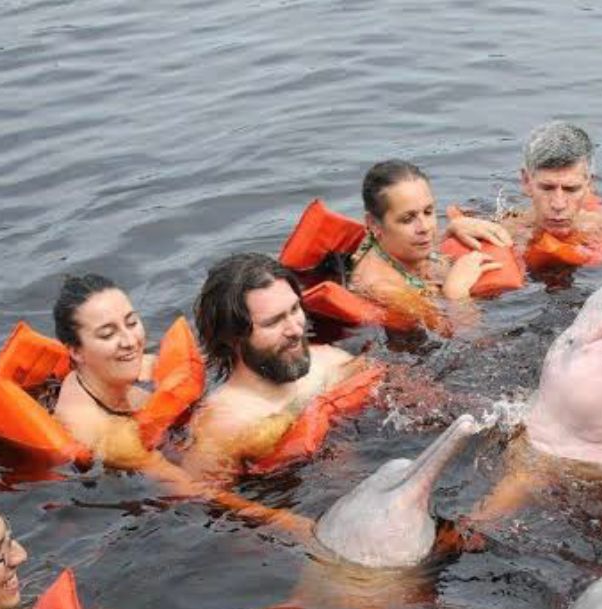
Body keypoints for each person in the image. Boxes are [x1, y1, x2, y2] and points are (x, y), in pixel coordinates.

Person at [186, 252, 371, 479]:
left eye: (294, 309)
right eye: (273, 322)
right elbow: (198, 492)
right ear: (232, 337)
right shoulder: (224, 424)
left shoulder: (330, 361)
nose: (296, 330)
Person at [349, 160, 512, 334]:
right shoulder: (385, 289)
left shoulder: (398, 246)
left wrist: (453, 227)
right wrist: (456, 293)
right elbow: (467, 338)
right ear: (373, 224)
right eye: (407, 219)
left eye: (428, 212)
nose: (425, 227)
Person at [52, 274, 160, 466]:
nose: (130, 342)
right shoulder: (98, 428)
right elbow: (186, 482)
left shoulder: (134, 365)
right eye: (107, 334)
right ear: (76, 351)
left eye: (132, 323)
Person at [500, 120, 602, 268]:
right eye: (547, 188)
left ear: (589, 185)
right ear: (526, 182)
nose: (558, 204)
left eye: (571, 189)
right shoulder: (506, 234)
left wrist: (553, 249)